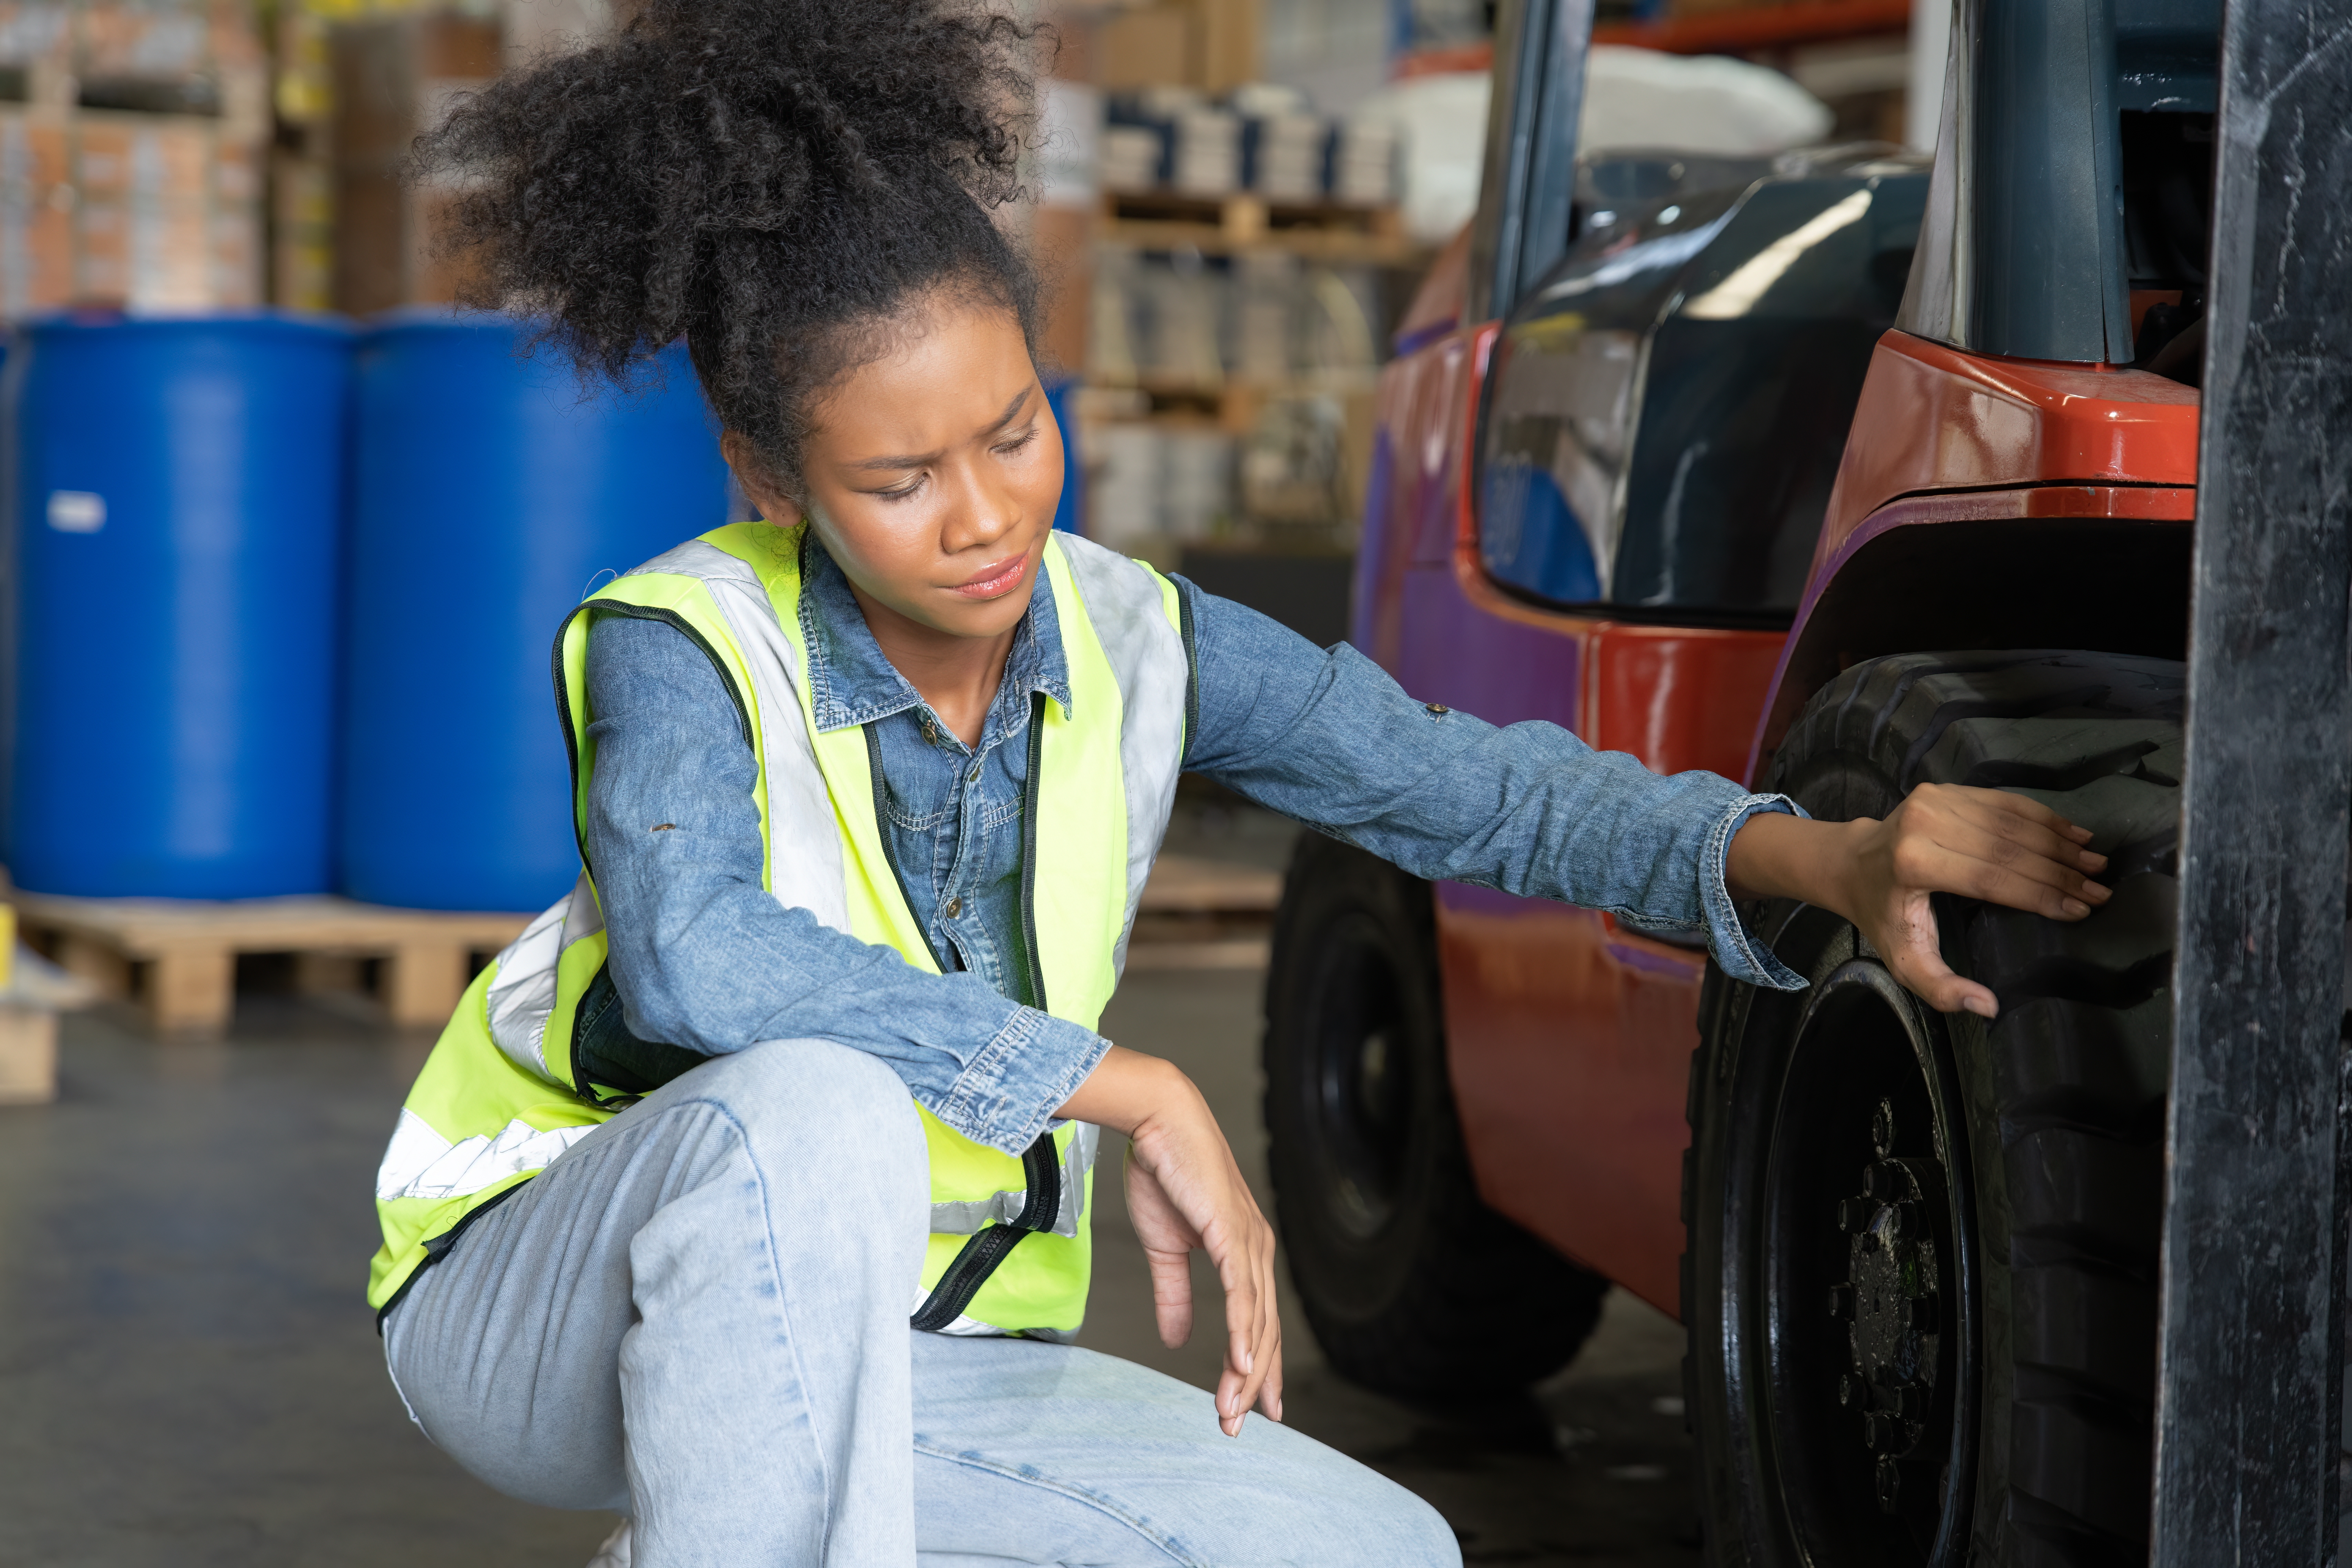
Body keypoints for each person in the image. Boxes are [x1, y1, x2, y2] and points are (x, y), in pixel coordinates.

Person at [362, 2, 2116, 1563]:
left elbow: (1474, 792)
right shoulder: (687, 641)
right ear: (771, 479)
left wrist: (1824, 853)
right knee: (812, 1107)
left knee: (1376, 1550)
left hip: (904, 1349)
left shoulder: (1135, 631)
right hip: (549, 1302)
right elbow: (696, 960)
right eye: (901, 480)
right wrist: (1122, 1083)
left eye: (1014, 429)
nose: (984, 516)